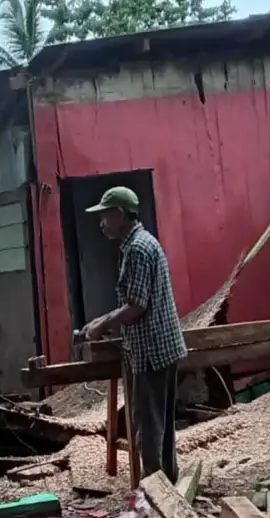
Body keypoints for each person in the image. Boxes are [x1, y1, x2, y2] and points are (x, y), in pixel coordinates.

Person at [82, 186, 187, 483]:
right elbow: (135, 301)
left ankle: (155, 494)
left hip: (151, 351)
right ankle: (168, 485)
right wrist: (101, 320)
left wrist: (102, 326)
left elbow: (136, 306)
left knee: (150, 429)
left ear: (119, 214)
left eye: (104, 216)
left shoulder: (138, 249)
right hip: (160, 347)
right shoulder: (140, 243)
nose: (101, 223)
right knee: (161, 426)